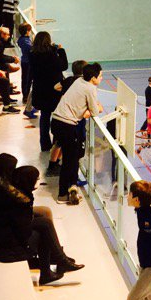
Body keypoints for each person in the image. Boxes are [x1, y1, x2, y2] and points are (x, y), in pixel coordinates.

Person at [0, 157, 83, 286]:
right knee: (44, 225)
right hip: (2, 239)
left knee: (45, 216)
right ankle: (57, 258)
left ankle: (56, 255)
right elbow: (23, 229)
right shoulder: (5, 191)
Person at [51, 62, 103, 204]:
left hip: (56, 121)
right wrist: (96, 107)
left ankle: (72, 186)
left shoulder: (79, 81)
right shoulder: (90, 88)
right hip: (66, 125)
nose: (101, 78)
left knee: (72, 158)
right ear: (93, 78)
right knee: (69, 160)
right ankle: (62, 194)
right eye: (100, 76)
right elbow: (95, 111)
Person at [29, 32, 68, 152]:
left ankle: (44, 144)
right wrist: (61, 50)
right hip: (54, 90)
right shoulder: (51, 55)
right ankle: (56, 144)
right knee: (57, 118)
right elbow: (63, 65)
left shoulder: (33, 54)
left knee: (44, 117)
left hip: (40, 90)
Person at [17, 23, 35, 118]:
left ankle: (26, 96)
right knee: (27, 80)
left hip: (25, 61)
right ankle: (26, 96)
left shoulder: (22, 39)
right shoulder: (25, 41)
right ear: (27, 31)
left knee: (25, 79)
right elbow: (31, 49)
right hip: (27, 62)